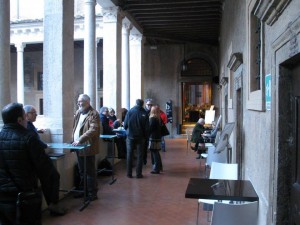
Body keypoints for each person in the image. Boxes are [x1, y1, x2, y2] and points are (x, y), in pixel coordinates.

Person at [0, 103, 66, 225]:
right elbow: (46, 170)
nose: (26, 120)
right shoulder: (28, 138)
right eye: (25, 117)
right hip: (25, 196)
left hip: (3, 197)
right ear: (19, 120)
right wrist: (52, 200)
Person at [71, 94, 100, 201]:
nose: (78, 103)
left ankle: (92, 193)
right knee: (82, 170)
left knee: (90, 171)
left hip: (88, 146)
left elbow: (94, 129)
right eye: (78, 101)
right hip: (78, 147)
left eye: (80, 101)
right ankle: (84, 191)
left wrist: (80, 139)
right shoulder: (79, 112)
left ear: (87, 102)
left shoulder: (94, 114)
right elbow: (76, 127)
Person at [123, 99, 149, 178]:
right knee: (140, 155)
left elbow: (125, 125)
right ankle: (138, 174)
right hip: (141, 137)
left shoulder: (130, 112)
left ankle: (129, 173)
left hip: (130, 136)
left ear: (135, 103)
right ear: (142, 104)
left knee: (129, 154)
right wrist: (145, 137)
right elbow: (147, 128)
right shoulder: (144, 113)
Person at [148, 105, 163, 174]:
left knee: (154, 152)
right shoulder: (158, 118)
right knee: (156, 152)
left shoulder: (153, 118)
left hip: (153, 138)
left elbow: (150, 129)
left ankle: (156, 169)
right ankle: (159, 167)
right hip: (157, 137)